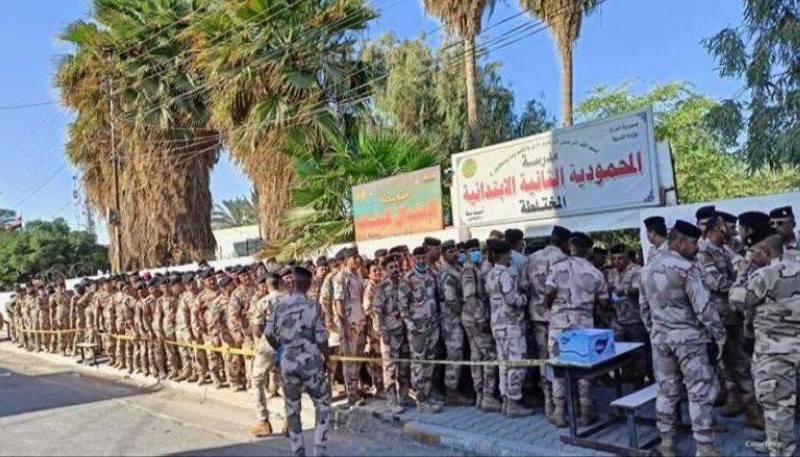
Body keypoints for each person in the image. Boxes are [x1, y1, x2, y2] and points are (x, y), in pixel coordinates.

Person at [639, 220, 725, 457]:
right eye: (693, 243)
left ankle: (667, 443)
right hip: (690, 341)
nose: (696, 248)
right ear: (679, 242)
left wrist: (655, 331)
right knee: (699, 392)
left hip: (660, 340)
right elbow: (704, 309)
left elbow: (644, 309)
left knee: (666, 392)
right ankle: (704, 447)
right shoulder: (687, 269)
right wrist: (719, 334)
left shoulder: (646, 269)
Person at [729, 232, 800, 457]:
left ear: (766, 251)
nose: (750, 256)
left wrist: (741, 274)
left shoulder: (764, 275)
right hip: (793, 347)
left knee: (776, 405)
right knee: (780, 403)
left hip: (774, 352)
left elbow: (736, 301)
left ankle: (781, 450)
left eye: (753, 252)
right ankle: (774, 442)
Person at [697, 214, 762, 428]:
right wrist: (740, 284)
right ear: (718, 228)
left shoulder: (723, 249)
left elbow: (741, 270)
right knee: (731, 362)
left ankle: (747, 405)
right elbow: (715, 282)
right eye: (727, 226)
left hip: (732, 314)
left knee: (737, 361)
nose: (732, 230)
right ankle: (749, 408)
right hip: (719, 317)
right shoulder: (704, 252)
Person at [264, 267, 331, 457]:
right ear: (308, 284)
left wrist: (281, 349)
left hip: (288, 362)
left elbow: (268, 333)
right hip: (310, 362)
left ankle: (297, 450)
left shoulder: (278, 306)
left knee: (292, 409)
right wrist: (327, 358)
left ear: (292, 282)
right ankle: (319, 448)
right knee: (322, 404)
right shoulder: (313, 306)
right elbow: (321, 338)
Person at [544, 232, 608, 426]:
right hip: (584, 326)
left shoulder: (556, 268)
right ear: (588, 250)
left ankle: (559, 412)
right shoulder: (595, 273)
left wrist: (555, 306)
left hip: (559, 325)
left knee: (558, 367)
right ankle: (586, 412)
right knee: (584, 368)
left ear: (570, 246)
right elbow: (604, 302)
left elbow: (548, 292)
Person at [526, 225, 570, 417]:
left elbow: (525, 285)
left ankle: (548, 403)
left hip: (537, 315)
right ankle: (562, 403)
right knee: (560, 358)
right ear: (564, 242)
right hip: (558, 316)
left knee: (543, 358)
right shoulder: (563, 259)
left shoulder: (532, 258)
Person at [487, 240, 533, 418]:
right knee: (516, 363)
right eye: (509, 254)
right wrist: (525, 297)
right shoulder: (505, 275)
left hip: (497, 325)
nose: (510, 258)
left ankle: (506, 400)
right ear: (503, 255)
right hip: (511, 325)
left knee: (504, 364)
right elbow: (512, 299)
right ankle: (514, 402)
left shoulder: (491, 274)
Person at [461, 238, 501, 412]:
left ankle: (480, 396)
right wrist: (480, 318)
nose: (476, 253)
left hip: (471, 318)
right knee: (490, 354)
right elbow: (470, 297)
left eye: (477, 249)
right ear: (466, 253)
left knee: (477, 356)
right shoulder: (469, 270)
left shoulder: (474, 268)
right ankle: (488, 396)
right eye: (472, 251)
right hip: (476, 319)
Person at [402, 246, 442, 413]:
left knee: (430, 363)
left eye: (423, 258)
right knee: (418, 364)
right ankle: (420, 400)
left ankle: (427, 394)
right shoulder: (408, 279)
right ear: (413, 259)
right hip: (417, 329)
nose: (420, 261)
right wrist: (410, 326)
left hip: (432, 326)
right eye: (417, 258)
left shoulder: (432, 275)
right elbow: (402, 306)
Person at [249, 272, 285, 437]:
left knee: (256, 380)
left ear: (267, 285)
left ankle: (263, 421)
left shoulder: (263, 302)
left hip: (268, 346)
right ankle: (290, 421)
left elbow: (257, 329)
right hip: (288, 345)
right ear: (280, 283)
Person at [607, 243, 648, 385]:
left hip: (634, 318)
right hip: (618, 319)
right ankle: (627, 376)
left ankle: (641, 380)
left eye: (620, 258)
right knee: (622, 352)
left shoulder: (637, 270)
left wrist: (624, 291)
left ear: (627, 257)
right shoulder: (611, 273)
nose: (617, 261)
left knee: (638, 352)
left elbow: (639, 290)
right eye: (614, 258)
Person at [437, 240, 471, 406]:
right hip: (451, 320)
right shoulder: (446, 273)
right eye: (450, 252)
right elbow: (451, 299)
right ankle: (451, 391)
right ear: (443, 254)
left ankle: (456, 388)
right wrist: (464, 313)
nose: (454, 254)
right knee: (454, 354)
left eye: (455, 251)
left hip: (457, 319)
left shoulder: (457, 269)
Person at [333, 247, 367, 407]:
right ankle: (351, 394)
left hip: (359, 321)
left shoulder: (358, 275)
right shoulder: (341, 277)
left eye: (358, 257)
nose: (358, 260)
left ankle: (356, 388)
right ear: (347, 260)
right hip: (349, 324)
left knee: (358, 358)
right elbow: (338, 302)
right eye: (354, 258)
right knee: (349, 360)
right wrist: (344, 325)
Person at [362, 261, 385, 398]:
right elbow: (366, 309)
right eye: (374, 271)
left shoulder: (382, 285)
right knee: (376, 359)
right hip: (374, 329)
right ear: (369, 274)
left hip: (384, 327)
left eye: (379, 270)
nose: (377, 273)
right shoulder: (370, 288)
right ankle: (378, 388)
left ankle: (383, 387)